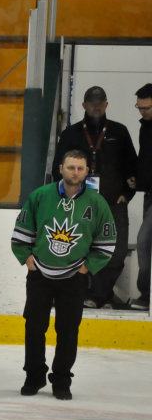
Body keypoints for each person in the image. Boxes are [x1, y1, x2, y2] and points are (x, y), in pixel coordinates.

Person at [12, 150, 115, 399]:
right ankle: (34, 376)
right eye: (71, 167)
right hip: (40, 275)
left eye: (80, 168)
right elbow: (21, 233)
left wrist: (86, 267)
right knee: (34, 327)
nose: (75, 172)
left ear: (87, 171)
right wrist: (27, 259)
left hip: (74, 277)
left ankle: (61, 380)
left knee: (68, 330)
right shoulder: (40, 196)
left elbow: (107, 241)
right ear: (61, 168)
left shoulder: (97, 202)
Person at [52, 86, 137, 308]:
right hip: (80, 203)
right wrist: (65, 198)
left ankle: (101, 293)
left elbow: (132, 168)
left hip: (112, 204)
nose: (96, 106)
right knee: (79, 248)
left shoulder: (119, 132)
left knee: (116, 252)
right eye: (91, 102)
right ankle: (86, 293)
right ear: (84, 105)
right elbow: (56, 169)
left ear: (107, 104)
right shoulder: (71, 133)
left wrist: (126, 194)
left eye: (100, 102)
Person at [130, 83, 152, 310]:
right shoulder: (145, 127)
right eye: (139, 107)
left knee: (144, 241)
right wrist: (139, 178)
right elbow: (146, 158)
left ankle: (146, 294)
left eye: (146, 108)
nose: (142, 112)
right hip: (149, 194)